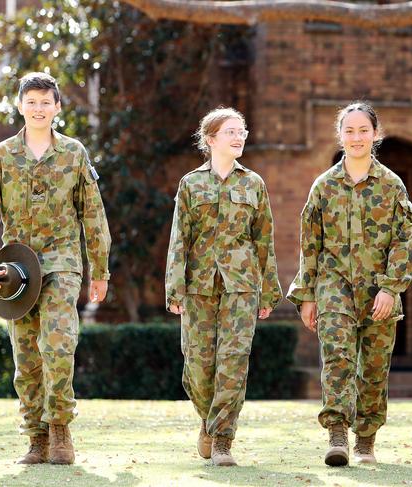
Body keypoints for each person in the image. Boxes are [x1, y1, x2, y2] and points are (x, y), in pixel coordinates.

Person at [0, 72, 111, 465]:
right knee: (27, 354)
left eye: (45, 102)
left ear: (57, 108)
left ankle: (61, 429)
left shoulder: (73, 153)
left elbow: (93, 213)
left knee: (58, 342)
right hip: (16, 269)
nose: (38, 108)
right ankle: (37, 436)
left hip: (62, 261)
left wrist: (100, 269)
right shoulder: (2, 155)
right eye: (31, 101)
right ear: (19, 106)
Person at [287, 102, 412, 466]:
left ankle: (365, 440)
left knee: (374, 368)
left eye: (363, 130)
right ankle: (337, 436)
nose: (356, 137)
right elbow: (309, 244)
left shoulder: (392, 186)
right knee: (338, 359)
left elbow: (403, 241)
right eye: (349, 131)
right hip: (334, 286)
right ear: (340, 136)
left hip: (379, 290)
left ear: (376, 134)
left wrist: (392, 288)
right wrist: (308, 295)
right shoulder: (324, 186)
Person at [165, 107, 282, 467]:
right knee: (198, 365)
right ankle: (207, 419)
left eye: (242, 131)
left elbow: (264, 240)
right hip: (199, 286)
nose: (239, 137)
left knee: (233, 362)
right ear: (211, 139)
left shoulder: (254, 185)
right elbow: (179, 239)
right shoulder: (190, 184)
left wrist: (269, 290)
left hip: (242, 287)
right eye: (230, 131)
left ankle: (223, 440)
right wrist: (175, 287)